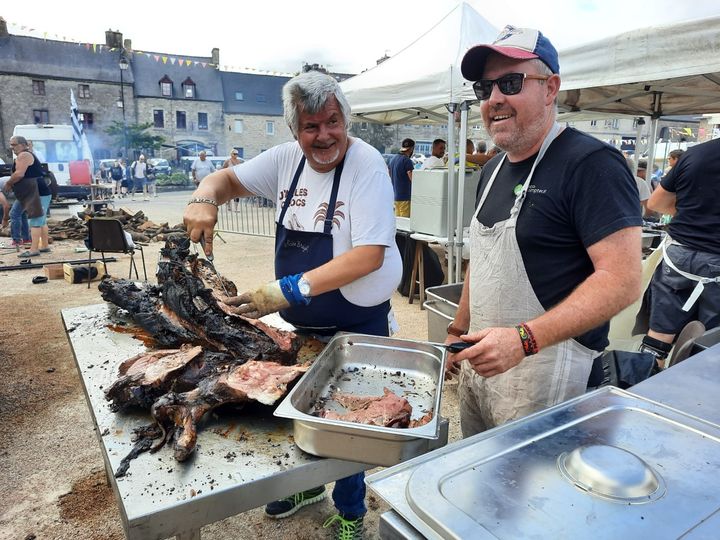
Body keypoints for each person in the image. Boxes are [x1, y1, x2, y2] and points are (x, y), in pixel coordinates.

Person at [183, 70, 402, 539]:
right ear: (294, 131)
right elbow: (222, 179)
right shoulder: (285, 161)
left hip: (357, 323)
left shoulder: (367, 167)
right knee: (299, 411)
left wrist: (283, 291)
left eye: (332, 122)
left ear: (345, 119)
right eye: (311, 127)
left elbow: (368, 255)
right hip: (303, 324)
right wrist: (204, 198)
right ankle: (307, 488)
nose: (324, 135)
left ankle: (349, 513)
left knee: (350, 423)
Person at [445, 25, 642, 437]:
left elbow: (622, 281)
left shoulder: (592, 164)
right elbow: (482, 263)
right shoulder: (492, 169)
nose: (495, 98)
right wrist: (457, 330)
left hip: (549, 381)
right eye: (485, 88)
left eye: (511, 83)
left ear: (551, 87)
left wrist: (523, 340)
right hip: (484, 372)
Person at [640, 138, 720, 366]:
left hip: (679, 255)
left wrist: (691, 215)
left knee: (660, 333)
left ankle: (643, 384)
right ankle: (695, 395)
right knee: (711, 342)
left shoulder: (695, 154)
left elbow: (656, 203)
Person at [4, 136, 52, 257]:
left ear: (22, 144)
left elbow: (19, 174)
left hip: (36, 192)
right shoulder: (25, 155)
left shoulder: (24, 155)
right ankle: (45, 246)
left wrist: (9, 183)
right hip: (34, 191)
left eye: (13, 144)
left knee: (36, 219)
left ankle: (34, 249)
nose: (11, 147)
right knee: (40, 219)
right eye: (11, 145)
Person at [388, 138, 415, 217]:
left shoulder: (392, 159)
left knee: (398, 221)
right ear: (411, 149)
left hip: (395, 196)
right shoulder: (407, 160)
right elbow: (411, 177)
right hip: (405, 196)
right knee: (405, 222)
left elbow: (389, 174)